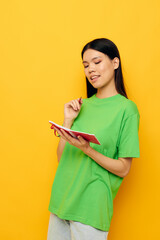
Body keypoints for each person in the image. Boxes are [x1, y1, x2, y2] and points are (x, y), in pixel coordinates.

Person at [47, 38, 140, 240]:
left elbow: (124, 168)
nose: (91, 70)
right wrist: (68, 121)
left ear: (115, 63)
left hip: (91, 206)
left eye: (97, 62)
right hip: (61, 200)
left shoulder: (127, 109)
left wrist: (87, 149)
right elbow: (61, 159)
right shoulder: (81, 106)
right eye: (86, 65)